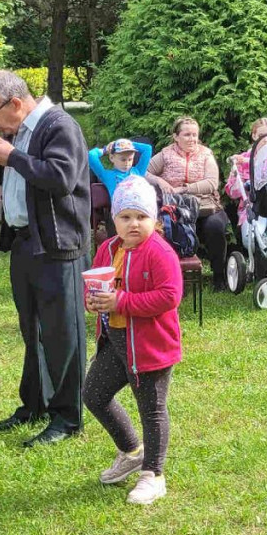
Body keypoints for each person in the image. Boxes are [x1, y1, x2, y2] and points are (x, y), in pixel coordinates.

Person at [0, 70, 91, 447]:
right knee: (33, 329)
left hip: (58, 243)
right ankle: (35, 404)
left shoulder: (59, 126)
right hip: (26, 242)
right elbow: (0, 175)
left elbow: (60, 178)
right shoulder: (17, 131)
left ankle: (68, 417)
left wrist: (13, 156)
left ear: (16, 104)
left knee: (63, 333)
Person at [83, 175, 183, 505]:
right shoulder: (107, 249)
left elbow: (169, 296)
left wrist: (121, 301)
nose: (134, 224)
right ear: (114, 220)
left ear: (154, 219)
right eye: (126, 217)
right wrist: (93, 300)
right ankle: (131, 451)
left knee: (152, 411)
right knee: (94, 394)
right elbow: (95, 286)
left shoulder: (160, 252)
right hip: (115, 342)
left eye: (141, 217)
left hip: (150, 346)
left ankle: (153, 475)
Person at [146, 116, 229, 290]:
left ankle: (219, 277)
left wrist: (184, 189)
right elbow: (144, 172)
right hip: (176, 207)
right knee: (166, 228)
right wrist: (160, 182)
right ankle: (172, 276)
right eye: (187, 135)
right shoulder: (165, 154)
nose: (192, 139)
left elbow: (212, 183)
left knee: (215, 227)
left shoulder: (206, 154)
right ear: (176, 136)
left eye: (195, 135)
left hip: (205, 206)